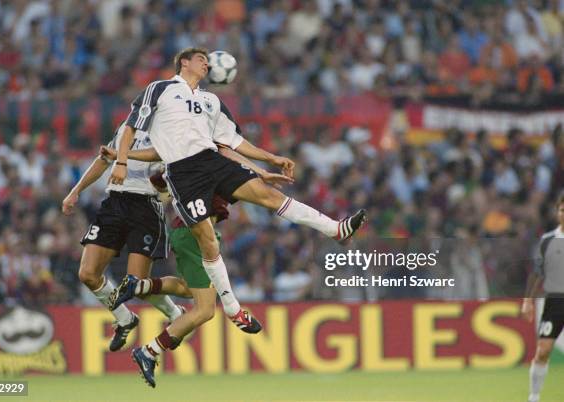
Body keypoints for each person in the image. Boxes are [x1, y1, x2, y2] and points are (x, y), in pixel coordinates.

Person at [109, 47, 367, 382]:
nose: (206, 62)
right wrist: (121, 161)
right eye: (200, 58)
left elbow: (231, 144)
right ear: (183, 63)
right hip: (183, 172)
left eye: (208, 59)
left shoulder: (212, 101)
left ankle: (336, 229)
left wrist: (269, 162)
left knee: (269, 196)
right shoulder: (160, 89)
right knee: (207, 243)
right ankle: (231, 309)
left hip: (212, 161)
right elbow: (131, 126)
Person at [102, 144, 295, 387]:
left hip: (188, 232)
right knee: (205, 310)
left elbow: (158, 180)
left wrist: (172, 189)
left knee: (187, 289)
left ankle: (138, 286)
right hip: (196, 236)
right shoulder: (213, 163)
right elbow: (250, 183)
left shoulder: (188, 162)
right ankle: (149, 351)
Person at [62, 125, 184, 352]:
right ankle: (125, 319)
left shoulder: (169, 127)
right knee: (87, 274)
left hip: (146, 205)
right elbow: (103, 159)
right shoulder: (126, 128)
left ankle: (175, 314)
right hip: (115, 203)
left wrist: (121, 156)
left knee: (136, 285)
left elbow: (157, 155)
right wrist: (76, 190)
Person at [521, 192, 564, 402]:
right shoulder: (547, 240)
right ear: (557, 212)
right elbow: (537, 272)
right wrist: (528, 300)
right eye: (562, 210)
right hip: (555, 301)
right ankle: (534, 396)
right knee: (543, 350)